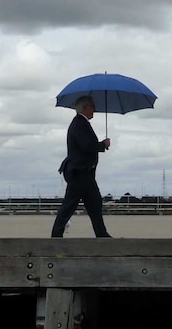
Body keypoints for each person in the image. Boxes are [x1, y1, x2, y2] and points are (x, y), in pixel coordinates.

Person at [51, 95, 112, 238]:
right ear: (85, 108)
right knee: (71, 205)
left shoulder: (80, 123)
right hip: (79, 172)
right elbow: (87, 146)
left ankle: (102, 235)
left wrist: (101, 145)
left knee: (94, 203)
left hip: (83, 172)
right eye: (92, 107)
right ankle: (56, 235)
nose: (95, 111)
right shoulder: (79, 123)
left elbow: (87, 145)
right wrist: (103, 145)